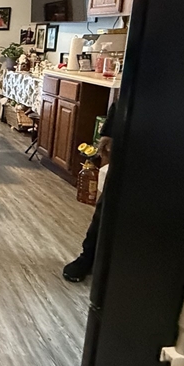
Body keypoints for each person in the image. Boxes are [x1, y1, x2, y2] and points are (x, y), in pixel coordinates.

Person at [63, 101, 117, 282]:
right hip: (132, 137)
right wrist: (108, 132)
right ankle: (88, 257)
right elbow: (125, 91)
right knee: (107, 206)